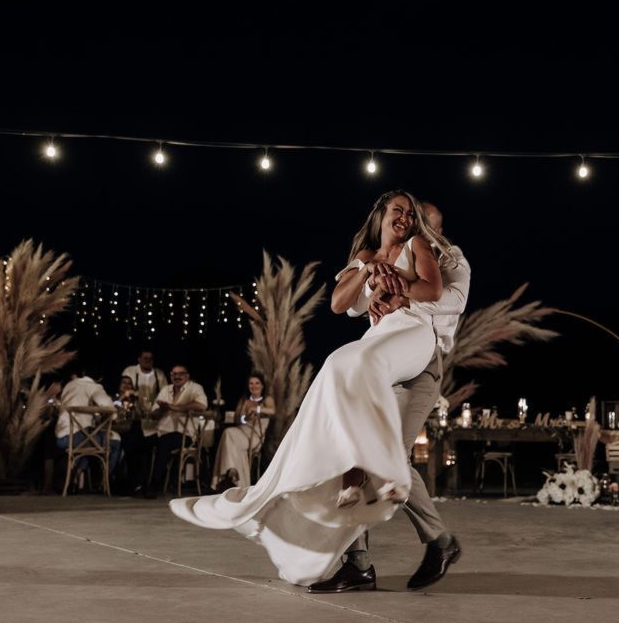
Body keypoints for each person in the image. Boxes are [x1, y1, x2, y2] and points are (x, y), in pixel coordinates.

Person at [170, 190, 454, 586]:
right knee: (338, 373)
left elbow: (435, 291)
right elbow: (340, 304)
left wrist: (399, 287)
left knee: (360, 372)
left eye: (410, 212)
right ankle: (358, 561)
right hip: (378, 340)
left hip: (411, 339)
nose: (405, 217)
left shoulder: (418, 245)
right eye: (397, 210)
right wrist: (367, 267)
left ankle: (403, 493)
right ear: (379, 216)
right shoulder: (369, 259)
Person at [309, 201, 468, 593]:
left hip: (421, 365)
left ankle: (440, 542)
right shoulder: (380, 257)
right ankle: (358, 563)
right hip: (383, 360)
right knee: (357, 451)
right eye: (408, 218)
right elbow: (348, 307)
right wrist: (374, 277)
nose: (414, 227)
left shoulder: (452, 259)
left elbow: (452, 300)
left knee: (387, 456)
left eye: (421, 221)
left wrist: (404, 295)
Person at [145, 365, 208, 499]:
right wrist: (163, 409)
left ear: (187, 376)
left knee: (165, 444)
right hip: (161, 432)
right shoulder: (166, 390)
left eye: (181, 374)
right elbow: (154, 414)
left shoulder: (195, 388)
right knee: (139, 442)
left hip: (185, 434)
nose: (177, 376)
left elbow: (202, 405)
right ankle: (136, 483)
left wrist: (175, 407)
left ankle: (155, 483)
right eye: (174, 374)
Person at [55, 365, 122, 490]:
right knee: (116, 441)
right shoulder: (95, 387)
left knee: (89, 442)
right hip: (77, 438)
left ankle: (75, 478)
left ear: (84, 372)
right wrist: (114, 416)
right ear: (100, 378)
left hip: (61, 437)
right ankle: (104, 481)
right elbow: (110, 409)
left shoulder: (70, 385)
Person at [211, 373, 275, 490]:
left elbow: (272, 411)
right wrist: (246, 418)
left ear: (262, 386)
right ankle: (233, 473)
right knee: (229, 434)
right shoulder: (244, 400)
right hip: (242, 431)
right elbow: (237, 418)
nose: (254, 386)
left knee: (228, 434)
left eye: (257, 383)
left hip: (255, 436)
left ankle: (228, 474)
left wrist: (256, 409)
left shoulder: (266, 399)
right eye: (251, 383)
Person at [121, 349, 168, 493]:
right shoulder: (130, 371)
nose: (148, 361)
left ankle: (147, 483)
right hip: (135, 417)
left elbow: (164, 394)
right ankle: (133, 482)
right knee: (133, 445)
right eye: (145, 358)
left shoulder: (159, 374)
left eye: (151, 358)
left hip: (154, 419)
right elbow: (125, 391)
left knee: (149, 448)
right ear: (139, 359)